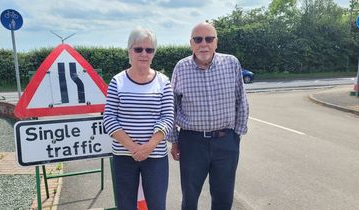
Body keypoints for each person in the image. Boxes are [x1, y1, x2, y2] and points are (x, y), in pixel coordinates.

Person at [169, 22, 249, 210]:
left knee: (224, 197)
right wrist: (174, 141)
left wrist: (236, 135)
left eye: (209, 39)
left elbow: (241, 100)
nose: (203, 44)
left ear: (216, 42)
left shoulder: (231, 63)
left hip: (226, 142)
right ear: (191, 43)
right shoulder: (181, 67)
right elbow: (171, 106)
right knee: (190, 197)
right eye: (198, 39)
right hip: (192, 143)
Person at [103, 27, 174, 210]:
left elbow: (167, 117)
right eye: (138, 49)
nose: (144, 54)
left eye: (149, 50)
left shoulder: (163, 82)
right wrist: (134, 148)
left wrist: (148, 147)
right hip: (124, 155)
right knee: (126, 205)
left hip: (155, 156)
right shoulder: (117, 81)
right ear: (129, 51)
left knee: (157, 205)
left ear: (153, 53)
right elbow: (109, 118)